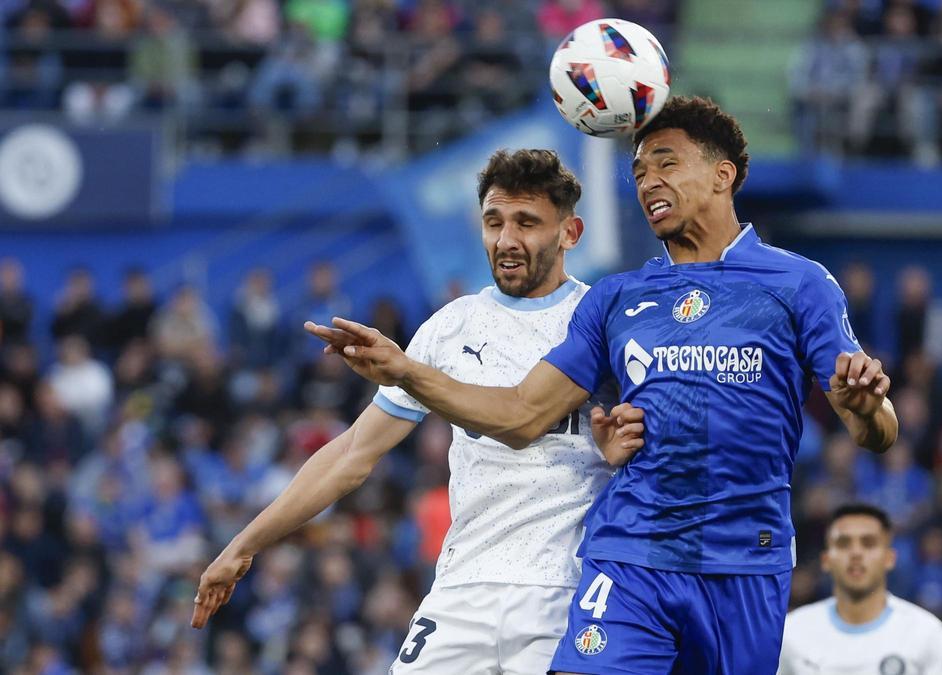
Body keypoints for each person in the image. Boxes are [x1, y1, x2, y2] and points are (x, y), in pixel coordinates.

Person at [308, 96, 897, 674]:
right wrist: (408, 371)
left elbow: (876, 433)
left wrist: (865, 410)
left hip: (744, 560)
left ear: (723, 176)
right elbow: (521, 413)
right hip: (631, 554)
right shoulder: (619, 298)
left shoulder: (799, 283)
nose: (647, 182)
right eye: (639, 170)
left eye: (667, 163)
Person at [191, 149, 644, 675]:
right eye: (494, 222)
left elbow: (548, 424)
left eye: (527, 223)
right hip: (461, 591)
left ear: (571, 232)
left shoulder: (602, 322)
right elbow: (353, 454)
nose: (507, 240)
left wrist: (622, 459)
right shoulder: (451, 327)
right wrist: (244, 546)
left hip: (565, 590)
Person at [778, 503, 942, 674]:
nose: (856, 553)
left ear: (889, 558)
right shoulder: (791, 634)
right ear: (826, 560)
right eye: (843, 544)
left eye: (868, 543)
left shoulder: (927, 635)